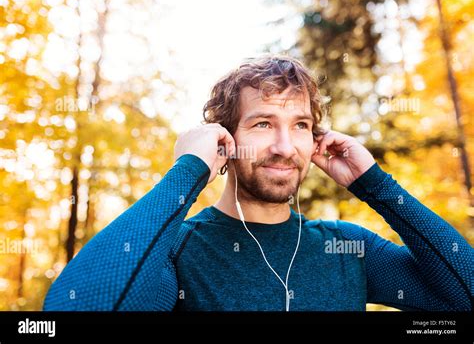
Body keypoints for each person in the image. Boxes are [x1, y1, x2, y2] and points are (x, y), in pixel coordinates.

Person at [43, 55, 473, 311]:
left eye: (300, 125)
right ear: (225, 141)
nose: (285, 146)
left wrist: (376, 185)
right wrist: (188, 171)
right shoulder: (176, 249)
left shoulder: (349, 247)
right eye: (264, 123)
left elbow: (466, 295)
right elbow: (80, 304)